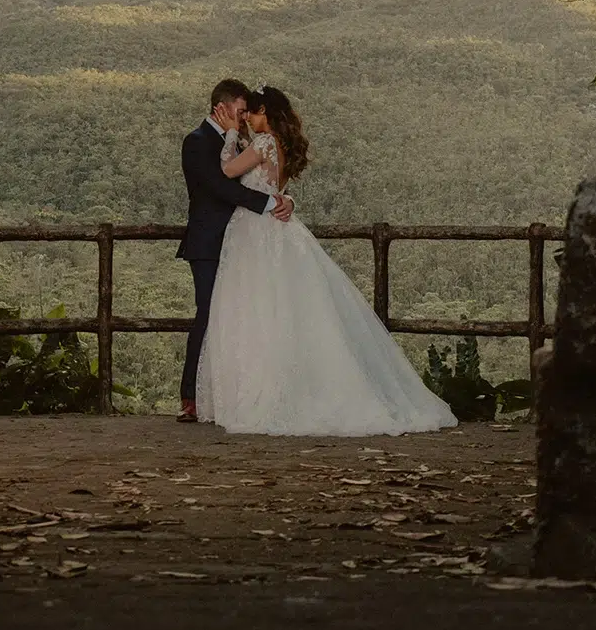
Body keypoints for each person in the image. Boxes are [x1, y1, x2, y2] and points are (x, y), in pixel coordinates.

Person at [196, 85, 457, 436]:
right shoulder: (278, 146)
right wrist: (284, 200)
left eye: (252, 113)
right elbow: (274, 189)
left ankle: (260, 391)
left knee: (257, 306)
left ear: (265, 114)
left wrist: (230, 133)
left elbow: (228, 172)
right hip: (271, 227)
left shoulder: (262, 142)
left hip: (256, 232)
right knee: (277, 307)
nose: (247, 120)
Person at [176, 78, 292, 422]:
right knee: (209, 316)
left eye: (246, 114)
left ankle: (232, 395)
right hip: (210, 242)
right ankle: (191, 398)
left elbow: (267, 174)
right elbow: (219, 188)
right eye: (240, 112)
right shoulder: (196, 142)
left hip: (242, 242)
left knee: (239, 318)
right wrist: (271, 203)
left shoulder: (242, 139)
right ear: (222, 107)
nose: (243, 119)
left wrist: (284, 200)